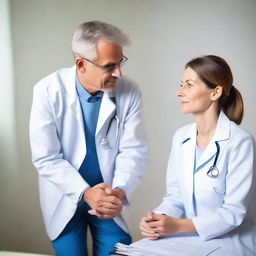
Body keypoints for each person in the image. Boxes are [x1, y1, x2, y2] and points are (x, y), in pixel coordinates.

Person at [29, 20, 148, 256]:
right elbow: (46, 157)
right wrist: (86, 193)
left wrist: (119, 192)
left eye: (120, 62)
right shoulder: (47, 90)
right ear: (81, 64)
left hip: (109, 198)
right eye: (109, 66)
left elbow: (134, 150)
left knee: (119, 252)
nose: (119, 72)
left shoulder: (129, 90)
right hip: (65, 196)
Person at [140, 55, 256, 255]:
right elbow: (175, 197)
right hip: (192, 239)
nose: (179, 92)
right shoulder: (181, 137)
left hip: (232, 241)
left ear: (215, 92)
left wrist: (177, 226)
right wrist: (157, 218)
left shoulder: (240, 141)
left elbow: (233, 214)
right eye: (181, 84)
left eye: (189, 85)